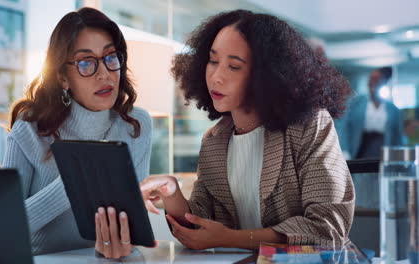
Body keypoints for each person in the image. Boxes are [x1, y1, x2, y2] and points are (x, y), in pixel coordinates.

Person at [140, 10, 354, 250]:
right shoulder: (214, 141)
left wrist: (229, 238)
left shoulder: (310, 126)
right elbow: (199, 227)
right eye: (213, 61)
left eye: (234, 66)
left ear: (267, 75)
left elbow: (328, 228)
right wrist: (171, 192)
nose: (217, 77)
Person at [2, 7, 152, 259]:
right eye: (86, 63)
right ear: (63, 77)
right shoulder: (30, 128)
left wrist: (125, 241)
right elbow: (4, 227)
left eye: (110, 57)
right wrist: (72, 183)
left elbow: (132, 221)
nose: (104, 73)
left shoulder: (136, 124)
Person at [338, 67, 403, 159]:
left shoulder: (393, 109)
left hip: (383, 150)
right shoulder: (356, 103)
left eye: (376, 79)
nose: (372, 82)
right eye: (370, 79)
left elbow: (397, 136)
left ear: (383, 82)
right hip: (360, 149)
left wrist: (398, 158)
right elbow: (344, 128)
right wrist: (344, 151)